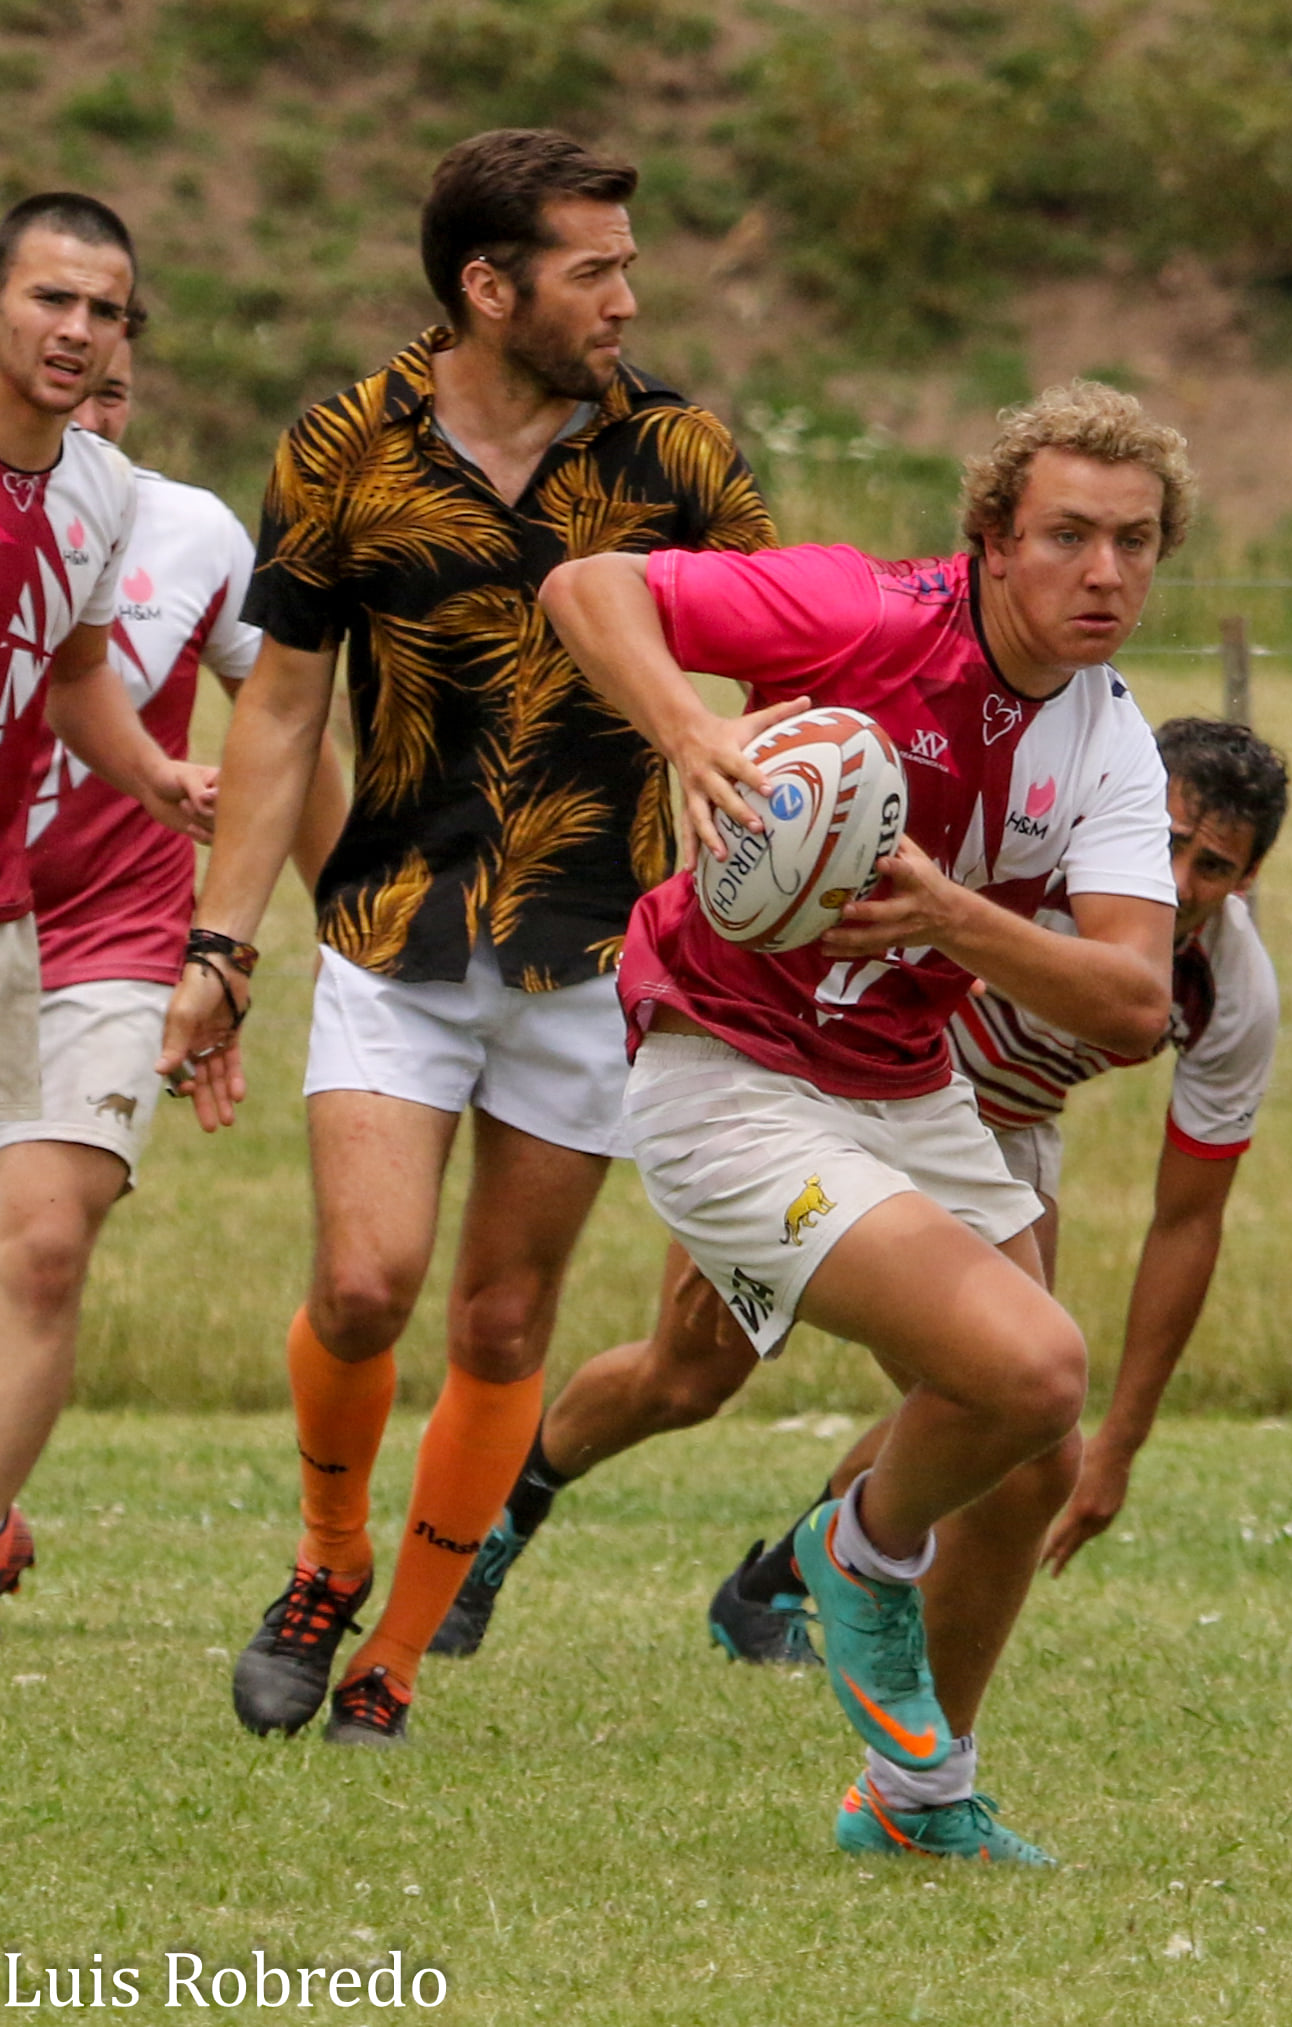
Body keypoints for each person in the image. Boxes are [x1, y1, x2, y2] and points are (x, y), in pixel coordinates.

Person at [156, 128, 775, 1747]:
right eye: (593, 270)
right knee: (364, 1284)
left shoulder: (683, 459)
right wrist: (223, 944)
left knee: (502, 1323)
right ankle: (326, 1557)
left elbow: (790, 657)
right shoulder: (342, 445)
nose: (626, 297)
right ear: (487, 288)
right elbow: (283, 708)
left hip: (588, 954)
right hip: (392, 931)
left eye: (628, 265)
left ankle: (395, 1660)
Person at [532, 378, 1187, 1861]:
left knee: (1037, 1453)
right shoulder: (867, 612)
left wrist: (954, 918)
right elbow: (590, 585)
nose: (1105, 574)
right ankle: (857, 1549)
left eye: (1136, 543)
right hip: (721, 1068)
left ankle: (913, 1798)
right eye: (1069, 535)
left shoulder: (1110, 744)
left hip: (904, 1083)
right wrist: (689, 735)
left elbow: (1134, 1007)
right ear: (992, 539)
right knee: (1031, 1361)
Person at [701, 715, 1288, 1666]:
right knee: (687, 1375)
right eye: (1167, 845)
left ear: (1247, 879)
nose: (1180, 884)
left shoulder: (1233, 993)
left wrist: (1119, 1446)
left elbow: (1187, 1220)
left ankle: (788, 1588)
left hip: (1007, 1133)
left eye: (1214, 867)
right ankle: (517, 1514)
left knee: (1012, 1398)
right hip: (858, 1085)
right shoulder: (1038, 854)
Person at [0, 331, 345, 1605]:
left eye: (115, 365)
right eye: (58, 341)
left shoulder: (191, 532)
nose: (90, 384)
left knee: (43, 1243)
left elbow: (285, 728)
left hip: (109, 928)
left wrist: (348, 936)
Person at [0, 192, 217, 1600]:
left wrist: (158, 779)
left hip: (10, 914)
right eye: (50, 300)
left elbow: (75, 667)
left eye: (106, 311)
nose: (80, 332)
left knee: (44, 1242)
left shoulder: (98, 489)